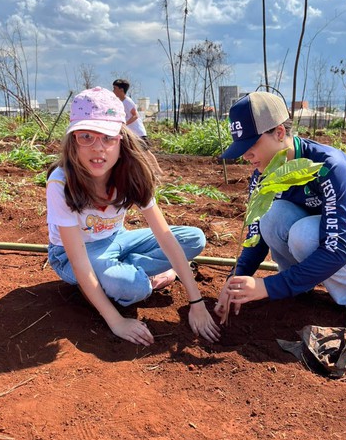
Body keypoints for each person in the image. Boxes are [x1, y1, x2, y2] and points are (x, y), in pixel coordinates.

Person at [46, 87, 220, 345]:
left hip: (117, 238)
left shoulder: (131, 174)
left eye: (108, 137)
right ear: (73, 140)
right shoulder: (61, 183)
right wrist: (116, 321)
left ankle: (122, 270)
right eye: (86, 137)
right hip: (73, 254)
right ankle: (134, 278)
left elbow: (165, 235)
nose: (98, 148)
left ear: (121, 139)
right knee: (132, 288)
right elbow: (79, 261)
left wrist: (197, 302)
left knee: (194, 239)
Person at [214, 91, 346, 327]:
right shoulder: (261, 176)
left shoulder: (327, 165)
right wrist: (235, 280)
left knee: (305, 233)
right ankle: (299, 287)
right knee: (270, 218)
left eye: (251, 144)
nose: (246, 155)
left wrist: (268, 286)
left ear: (279, 132)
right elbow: (257, 237)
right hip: (324, 241)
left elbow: (336, 247)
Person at [112, 78, 163, 175]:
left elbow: (135, 115)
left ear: (121, 90)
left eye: (115, 88)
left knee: (146, 152)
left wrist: (124, 124)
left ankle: (157, 171)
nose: (113, 90)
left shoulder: (127, 102)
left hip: (138, 132)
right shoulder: (119, 102)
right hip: (130, 133)